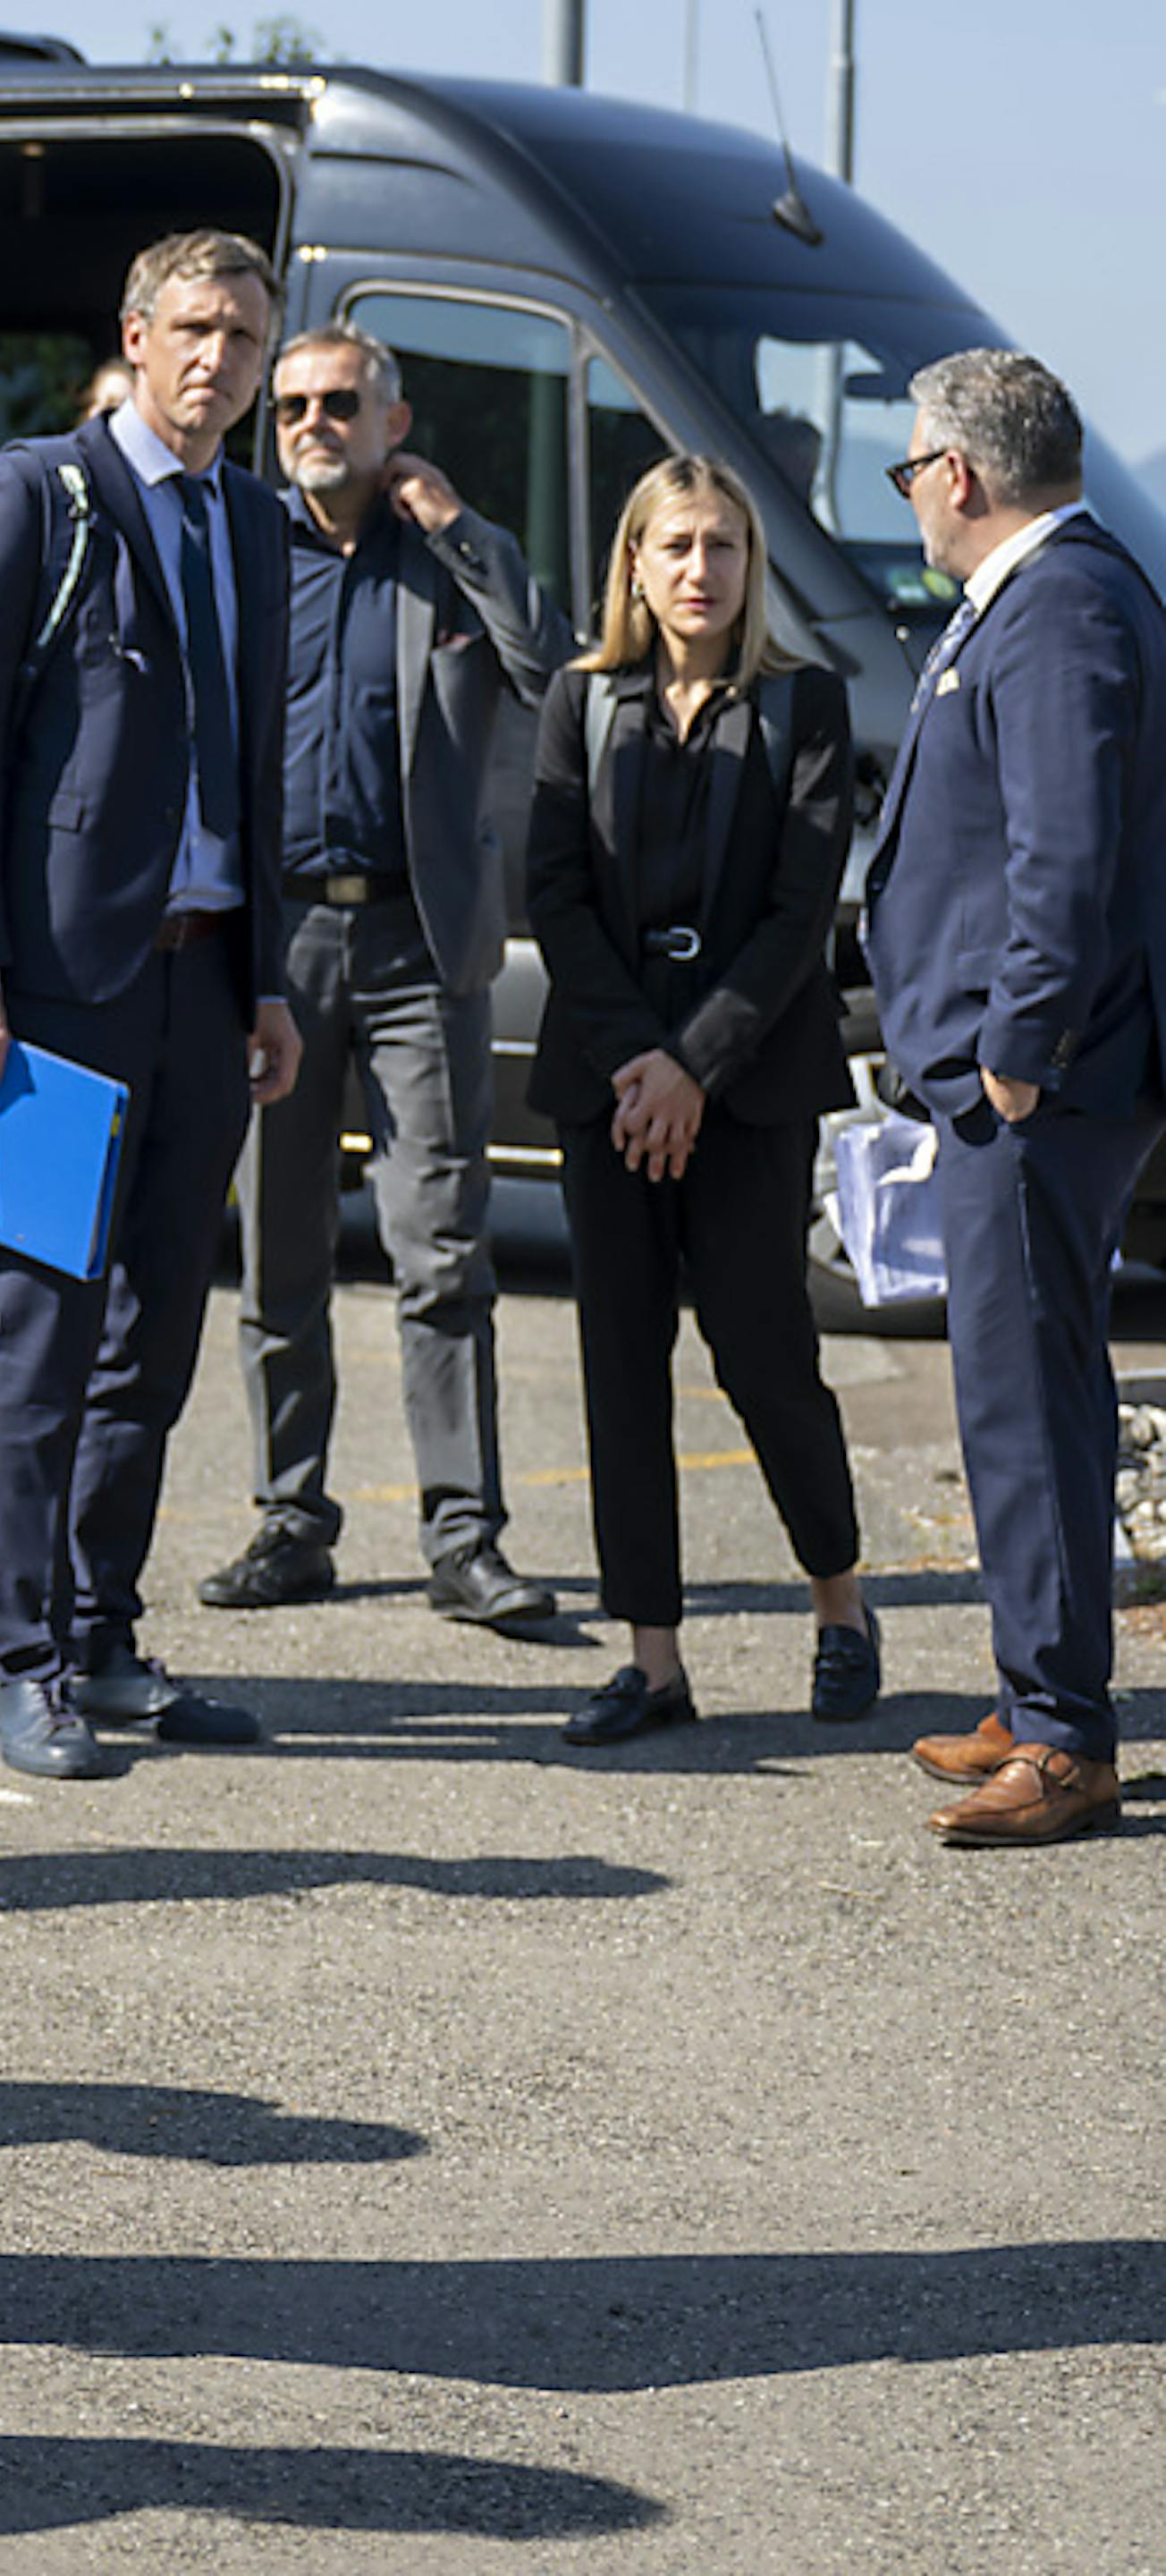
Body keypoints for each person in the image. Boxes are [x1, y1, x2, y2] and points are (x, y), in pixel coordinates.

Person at [0, 228, 303, 1782]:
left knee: (157, 1338)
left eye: (245, 336)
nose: (219, 359)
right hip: (64, 996)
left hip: (206, 984)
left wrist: (266, 977)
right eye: (195, 328)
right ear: (138, 335)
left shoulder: (255, 523)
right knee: (50, 1327)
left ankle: (103, 1633)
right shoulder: (42, 494)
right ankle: (22, 1658)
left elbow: (260, 769)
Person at [201, 323, 561, 1627]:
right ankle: (291, 1520)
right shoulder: (246, 547)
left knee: (442, 1249)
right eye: (292, 403)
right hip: (276, 947)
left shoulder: (448, 558)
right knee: (280, 1253)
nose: (311, 421)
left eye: (339, 400)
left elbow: (545, 665)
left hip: (419, 943)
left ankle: (464, 1538)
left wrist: (459, 524)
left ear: (391, 421)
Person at [523, 457, 875, 1748]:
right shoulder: (582, 699)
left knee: (766, 1356)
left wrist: (696, 1065)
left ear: (750, 567)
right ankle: (654, 1660)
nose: (699, 569)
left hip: (750, 1086)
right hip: (609, 1090)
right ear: (634, 562)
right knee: (622, 1366)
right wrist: (639, 1061)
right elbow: (552, 893)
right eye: (675, 544)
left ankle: (840, 1605)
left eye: (723, 546)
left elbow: (799, 918)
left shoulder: (803, 705)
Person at [866, 349, 1166, 1844]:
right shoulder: (1046, 596)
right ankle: (1040, 1686)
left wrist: (1017, 1050)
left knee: (1029, 1398)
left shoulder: (1057, 606)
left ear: (960, 475)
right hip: (1024, 1079)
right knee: (1017, 1391)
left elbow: (1067, 853)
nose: (908, 497)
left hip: (1039, 1086)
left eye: (907, 468)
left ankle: (1064, 1740)